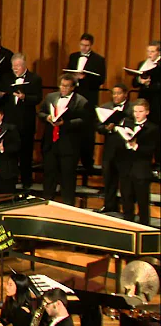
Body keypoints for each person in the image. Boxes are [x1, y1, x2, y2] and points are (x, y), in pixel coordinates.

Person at [37, 75, 90, 205]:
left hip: (69, 146)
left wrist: (65, 123)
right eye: (62, 85)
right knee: (49, 175)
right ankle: (46, 203)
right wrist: (47, 117)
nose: (63, 88)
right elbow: (40, 112)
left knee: (68, 177)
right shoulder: (51, 97)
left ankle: (68, 205)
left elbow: (84, 121)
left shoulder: (81, 101)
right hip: (51, 144)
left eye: (67, 86)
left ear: (73, 87)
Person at [0, 53, 43, 188]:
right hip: (10, 123)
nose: (15, 69)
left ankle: (26, 181)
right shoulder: (7, 78)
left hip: (26, 122)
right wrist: (0, 95)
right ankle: (10, 180)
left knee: (26, 154)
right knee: (9, 153)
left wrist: (24, 97)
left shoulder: (34, 79)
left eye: (18, 66)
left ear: (24, 65)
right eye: (13, 66)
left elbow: (38, 98)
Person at [66, 33, 107, 170]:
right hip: (73, 98)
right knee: (72, 129)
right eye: (82, 45)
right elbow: (67, 75)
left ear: (91, 45)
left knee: (88, 132)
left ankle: (87, 163)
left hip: (88, 99)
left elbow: (101, 80)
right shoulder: (73, 57)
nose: (84, 48)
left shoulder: (98, 60)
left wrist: (85, 78)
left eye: (87, 45)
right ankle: (71, 160)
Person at [118, 99, 159, 226]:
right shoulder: (127, 124)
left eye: (140, 111)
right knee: (126, 201)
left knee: (142, 202)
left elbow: (152, 149)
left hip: (141, 170)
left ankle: (144, 230)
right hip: (126, 169)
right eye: (135, 111)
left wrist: (136, 146)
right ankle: (127, 229)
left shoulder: (153, 128)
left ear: (147, 112)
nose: (137, 114)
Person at [96, 84, 133, 214]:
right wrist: (106, 128)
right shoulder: (106, 107)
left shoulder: (133, 108)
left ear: (125, 94)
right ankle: (109, 205)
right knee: (109, 178)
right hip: (110, 148)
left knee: (125, 181)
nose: (115, 96)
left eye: (118, 93)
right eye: (114, 93)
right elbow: (98, 126)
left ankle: (127, 209)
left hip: (125, 149)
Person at [131, 40, 161, 127]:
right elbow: (134, 83)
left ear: (159, 53)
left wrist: (149, 84)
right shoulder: (143, 64)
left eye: (152, 51)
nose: (149, 54)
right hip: (144, 98)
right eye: (148, 51)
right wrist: (140, 81)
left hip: (157, 100)